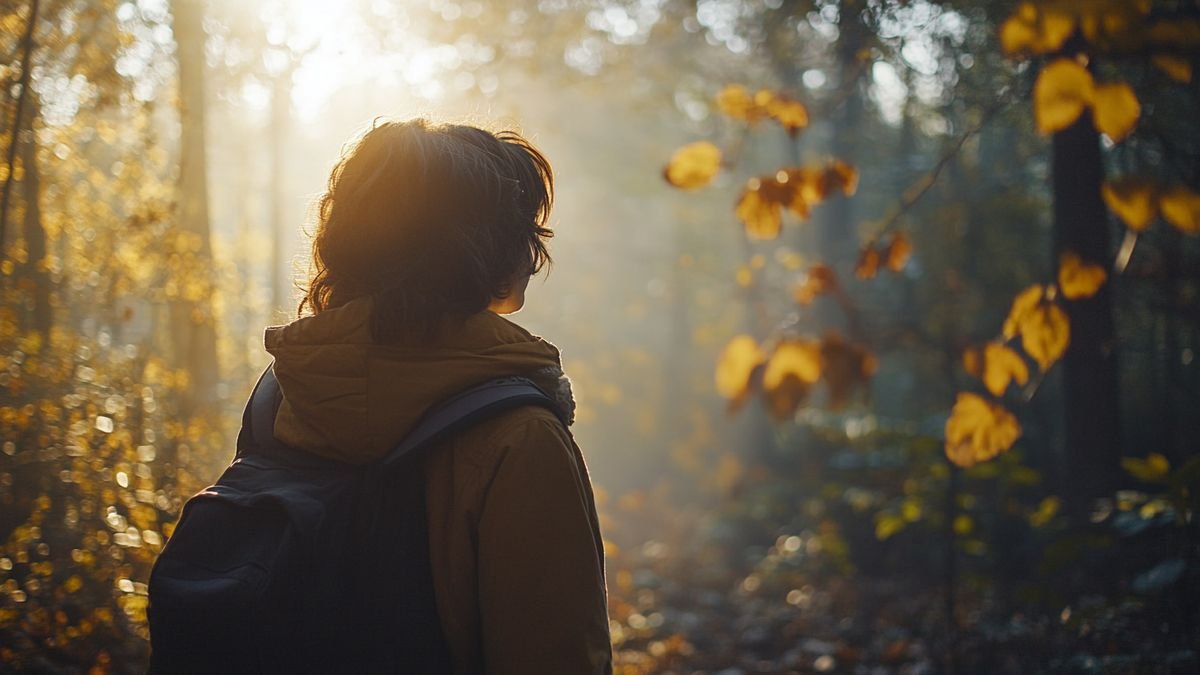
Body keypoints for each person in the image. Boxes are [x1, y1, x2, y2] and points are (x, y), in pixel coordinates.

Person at [265, 118, 611, 673]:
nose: (533, 251)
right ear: (484, 246)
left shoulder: (288, 394)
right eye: (522, 228)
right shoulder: (519, 438)